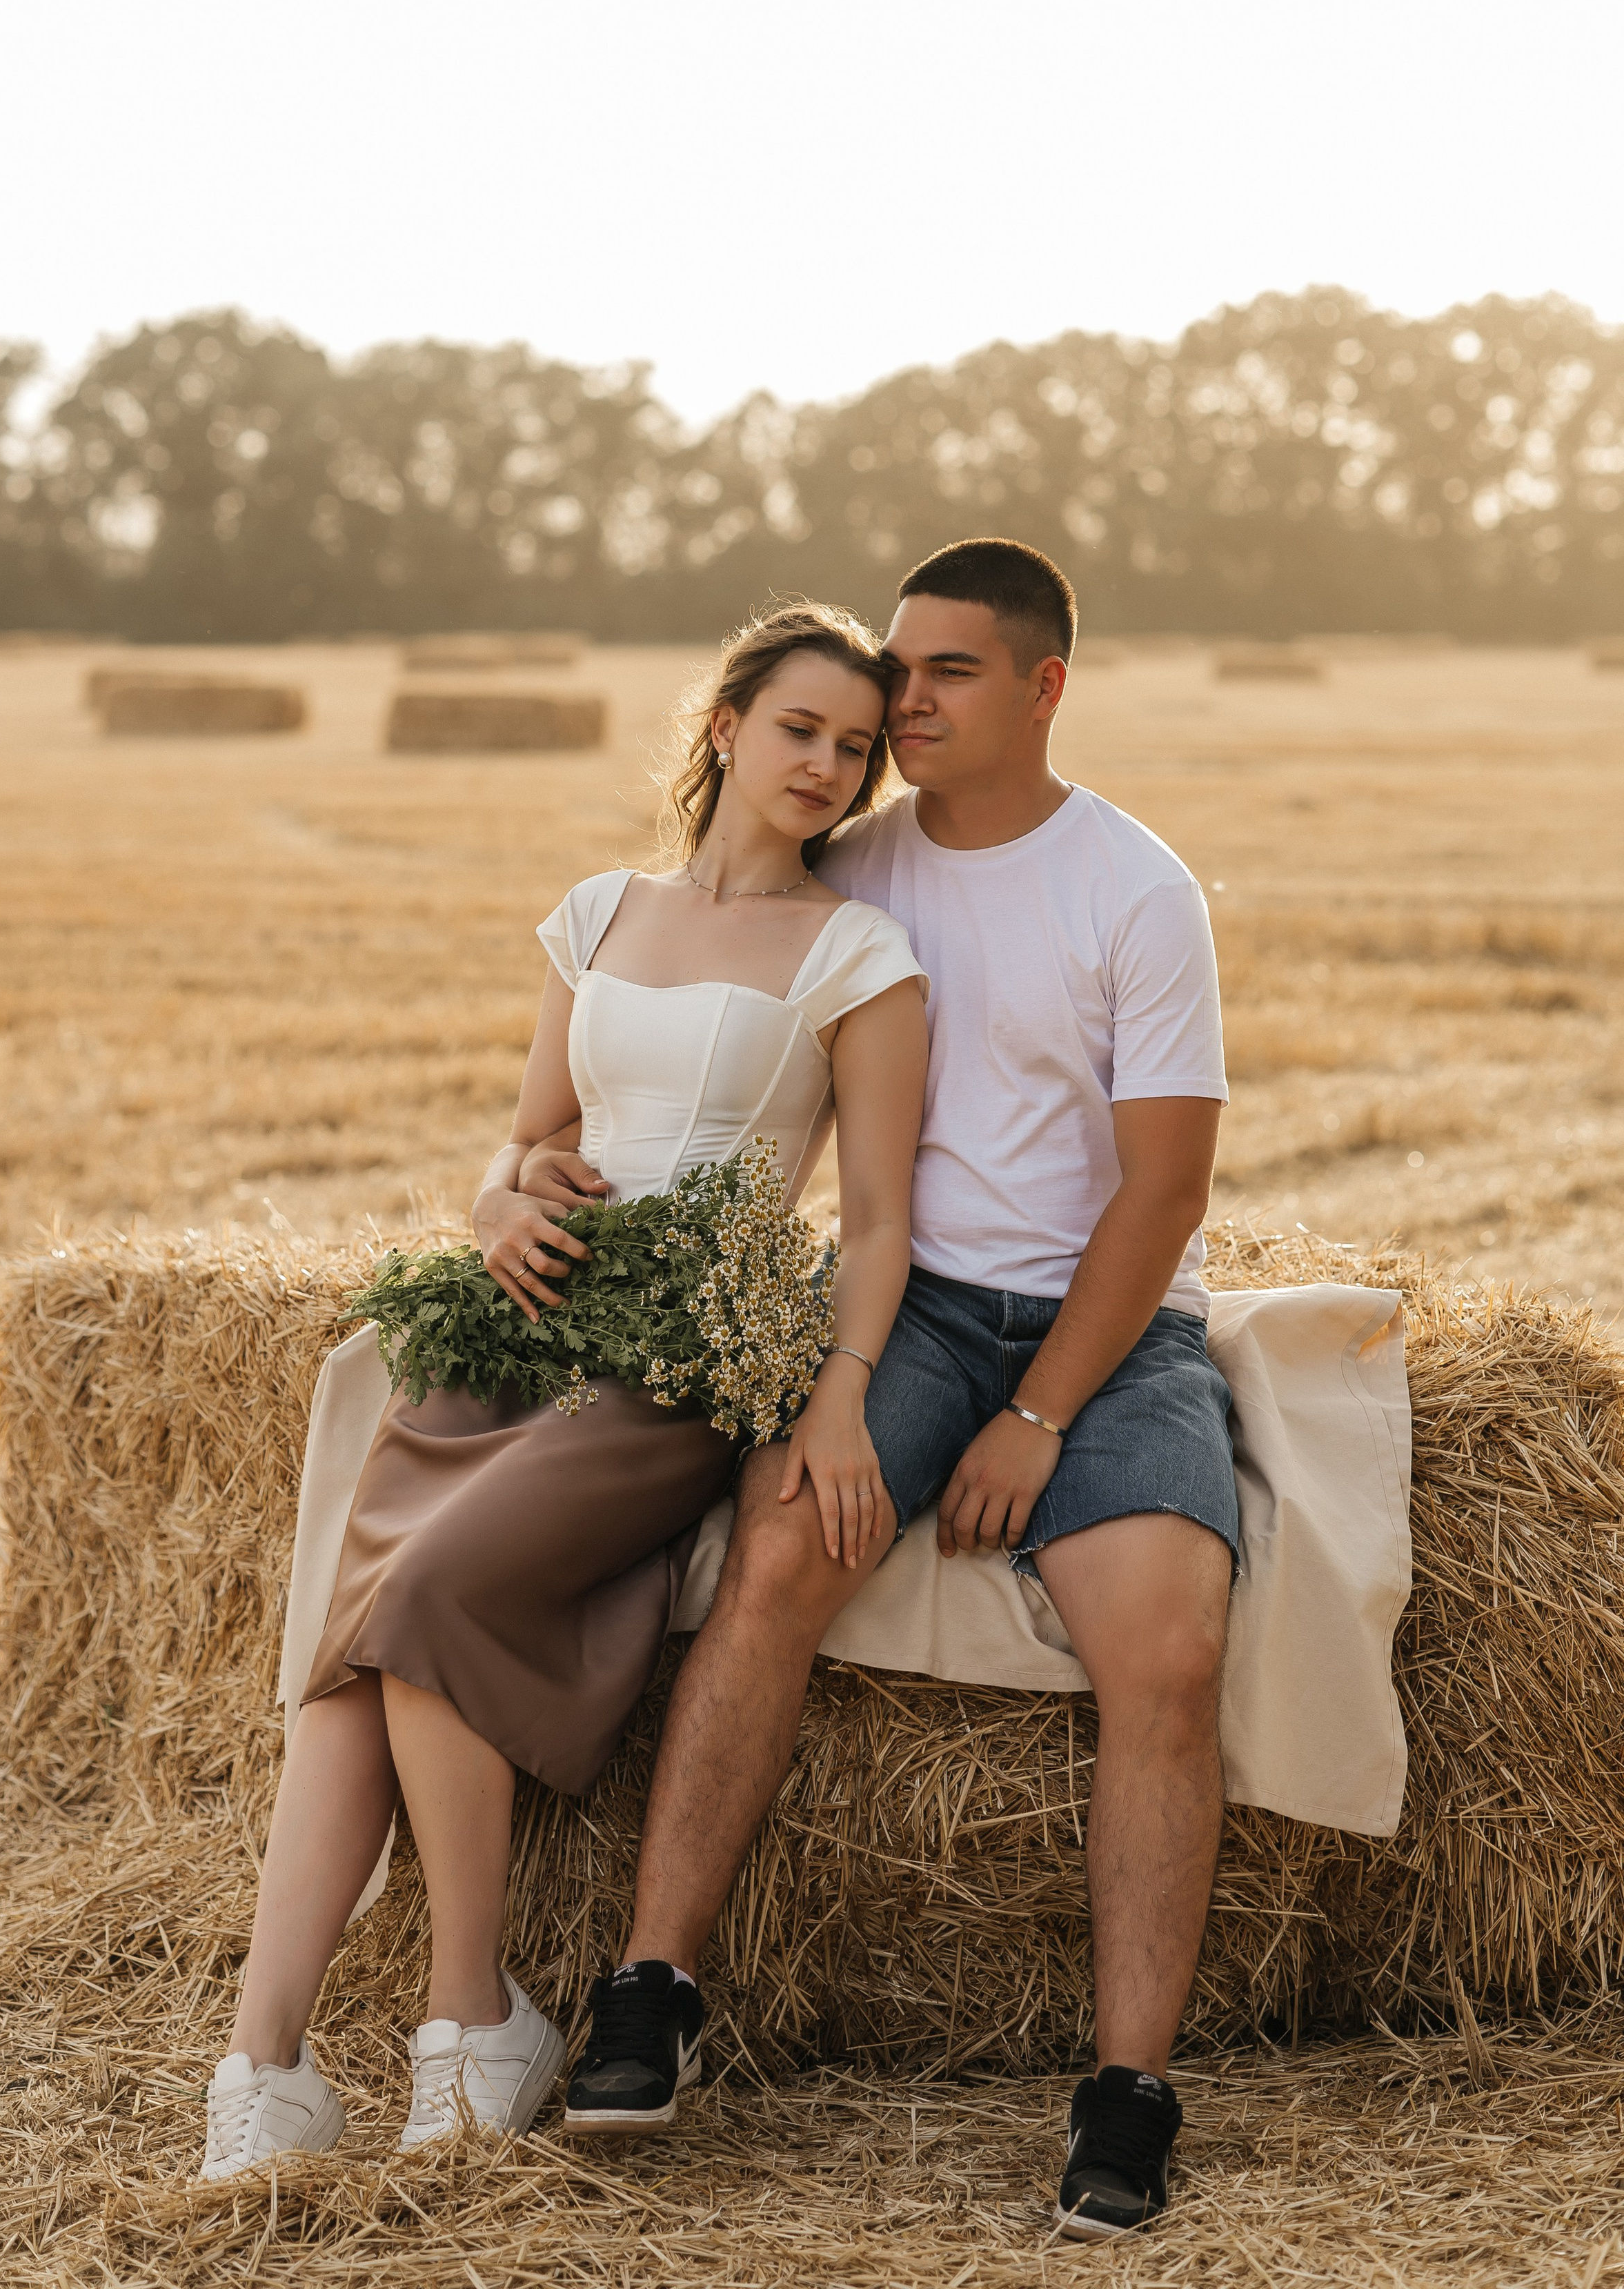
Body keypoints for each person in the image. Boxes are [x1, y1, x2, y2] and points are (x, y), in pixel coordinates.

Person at [197, 603, 929, 2181]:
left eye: (854, 749)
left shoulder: (856, 953)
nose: (826, 765)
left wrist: (841, 1394)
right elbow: (526, 1132)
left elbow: (873, 1221)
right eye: (799, 729)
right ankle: (262, 2064)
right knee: (347, 1656)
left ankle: (474, 2010)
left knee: (427, 1589)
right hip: (519, 1320)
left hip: (688, 1354)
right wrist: (497, 1206)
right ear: (725, 725)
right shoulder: (597, 912)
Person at [555, 540, 1232, 2241]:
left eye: (942, 675)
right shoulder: (850, 870)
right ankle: (653, 1992)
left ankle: (1125, 2093)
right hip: (909, 1311)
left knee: (1165, 1645)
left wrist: (1040, 1415)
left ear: (1041, 687)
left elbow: (1160, 1196)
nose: (896, 706)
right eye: (893, 676)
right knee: (777, 1558)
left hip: (1107, 1319)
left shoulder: (1137, 891)